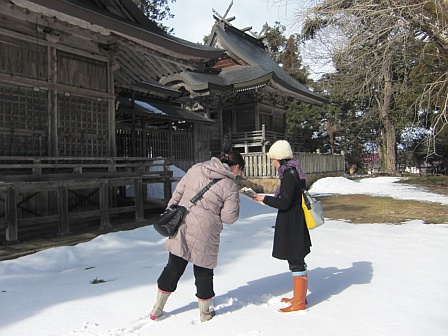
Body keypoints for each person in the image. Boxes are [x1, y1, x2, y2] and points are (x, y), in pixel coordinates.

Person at [150, 151, 245, 322]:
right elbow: (228, 218)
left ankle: (157, 308)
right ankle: (205, 312)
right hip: (206, 232)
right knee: (203, 272)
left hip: (183, 225)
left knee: (173, 268)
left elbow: (178, 193)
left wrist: (172, 211)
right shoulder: (230, 185)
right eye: (240, 171)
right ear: (236, 167)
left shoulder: (197, 168)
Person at [251, 140, 311, 312]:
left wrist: (264, 198)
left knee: (295, 259)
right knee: (297, 258)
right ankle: (299, 297)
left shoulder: (288, 175)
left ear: (279, 158)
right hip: (296, 220)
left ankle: (299, 302)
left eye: (273, 159)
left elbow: (284, 203)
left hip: (291, 222)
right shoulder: (295, 171)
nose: (272, 162)